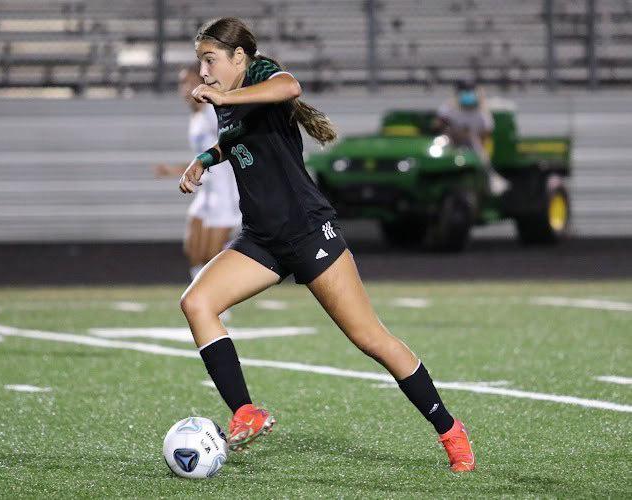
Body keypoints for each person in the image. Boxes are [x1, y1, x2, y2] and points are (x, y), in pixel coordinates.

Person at [177, 17, 475, 472]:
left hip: (308, 233)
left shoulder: (256, 76)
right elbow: (238, 138)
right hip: (262, 239)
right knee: (197, 302)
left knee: (371, 339)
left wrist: (224, 94)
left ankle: (450, 431)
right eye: (201, 61)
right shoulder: (228, 98)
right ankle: (246, 412)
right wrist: (205, 158)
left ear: (239, 57)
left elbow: (288, 86)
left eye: (209, 59)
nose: (203, 71)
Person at [153, 63, 241, 313]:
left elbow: (230, 145)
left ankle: (218, 305)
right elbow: (201, 157)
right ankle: (205, 301)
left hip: (224, 190)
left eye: (188, 82)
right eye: (182, 83)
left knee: (213, 255)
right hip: (207, 190)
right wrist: (173, 170)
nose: (184, 88)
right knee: (193, 250)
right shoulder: (196, 116)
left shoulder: (215, 112)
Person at [433, 79, 509, 195]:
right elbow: (437, 125)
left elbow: (483, 137)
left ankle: (490, 179)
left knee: (478, 151)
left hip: (470, 147)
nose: (467, 94)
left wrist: (468, 136)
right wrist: (450, 130)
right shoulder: (449, 108)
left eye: (470, 91)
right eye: (464, 91)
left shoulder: (482, 114)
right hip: (450, 143)